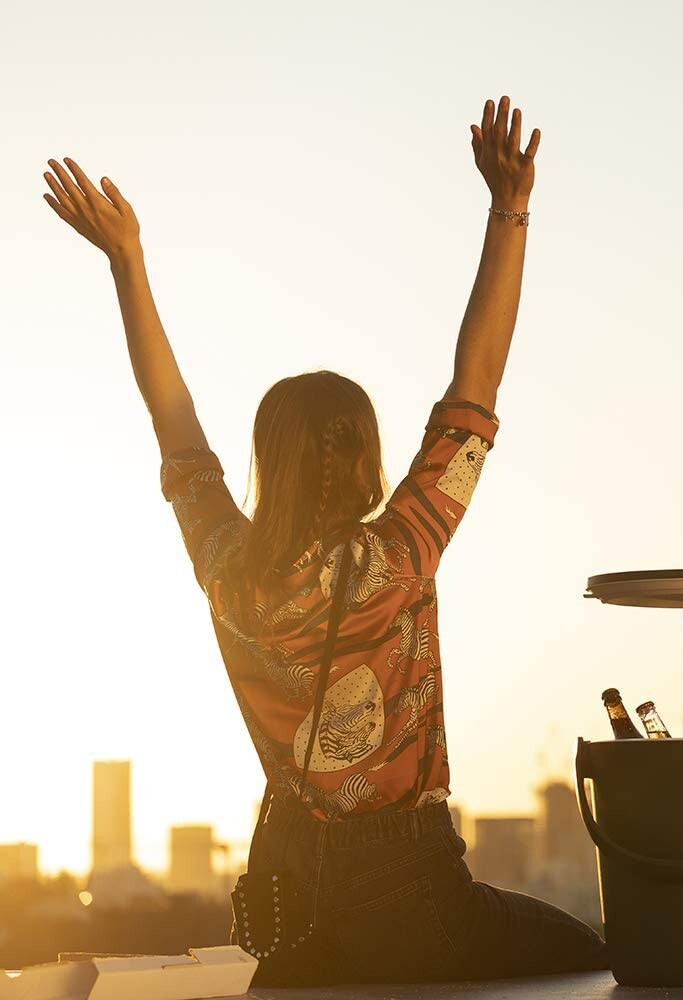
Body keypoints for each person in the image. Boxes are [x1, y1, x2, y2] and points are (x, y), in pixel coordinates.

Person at [41, 96, 609, 986]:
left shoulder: (227, 569)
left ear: (270, 463)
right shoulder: (400, 554)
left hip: (297, 906)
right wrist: (510, 211)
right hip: (415, 896)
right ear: (361, 466)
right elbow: (477, 384)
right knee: (598, 961)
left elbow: (175, 424)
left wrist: (127, 260)